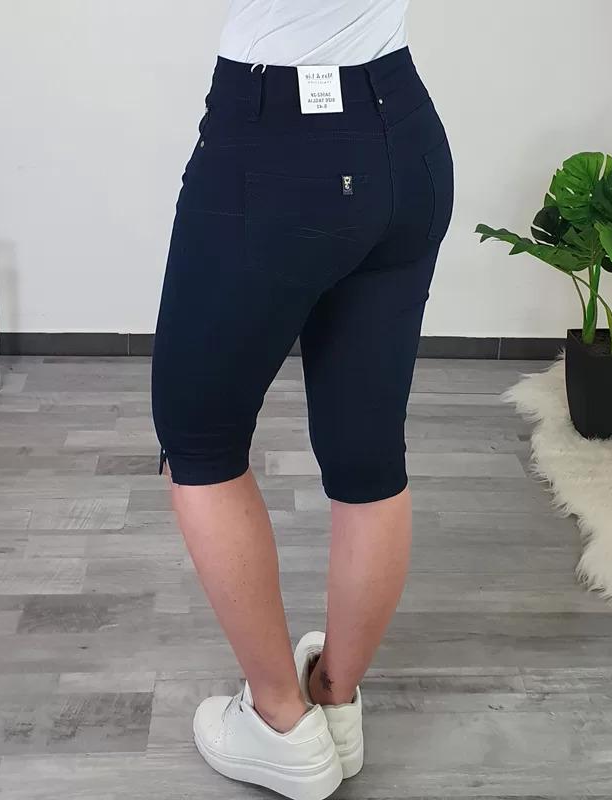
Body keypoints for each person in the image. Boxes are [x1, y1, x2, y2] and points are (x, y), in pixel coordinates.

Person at [152, 1, 454, 798]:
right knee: (368, 455)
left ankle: (281, 722)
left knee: (199, 440)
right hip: (405, 137)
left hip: (276, 146)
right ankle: (336, 699)